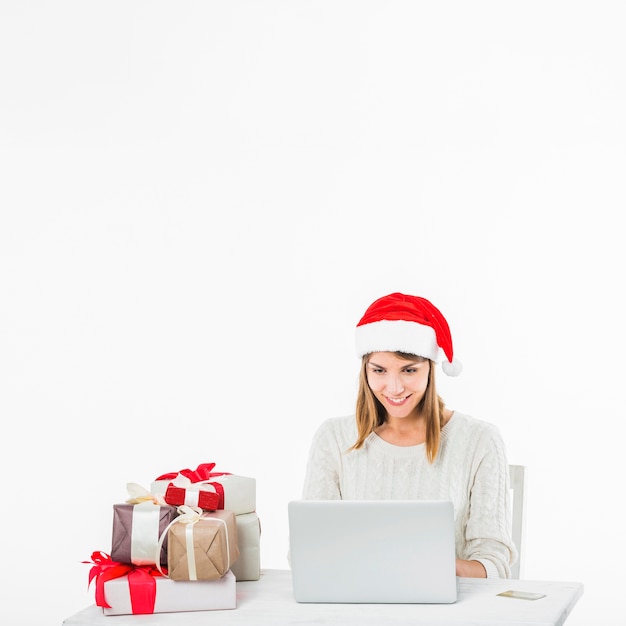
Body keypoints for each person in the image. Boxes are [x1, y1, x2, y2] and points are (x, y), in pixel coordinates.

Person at [301, 292, 518, 579]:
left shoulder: (480, 441)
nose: (394, 387)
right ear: (365, 370)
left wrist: (426, 566)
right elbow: (309, 550)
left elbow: (494, 564)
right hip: (355, 607)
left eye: (409, 370)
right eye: (379, 370)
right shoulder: (333, 438)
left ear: (431, 368)